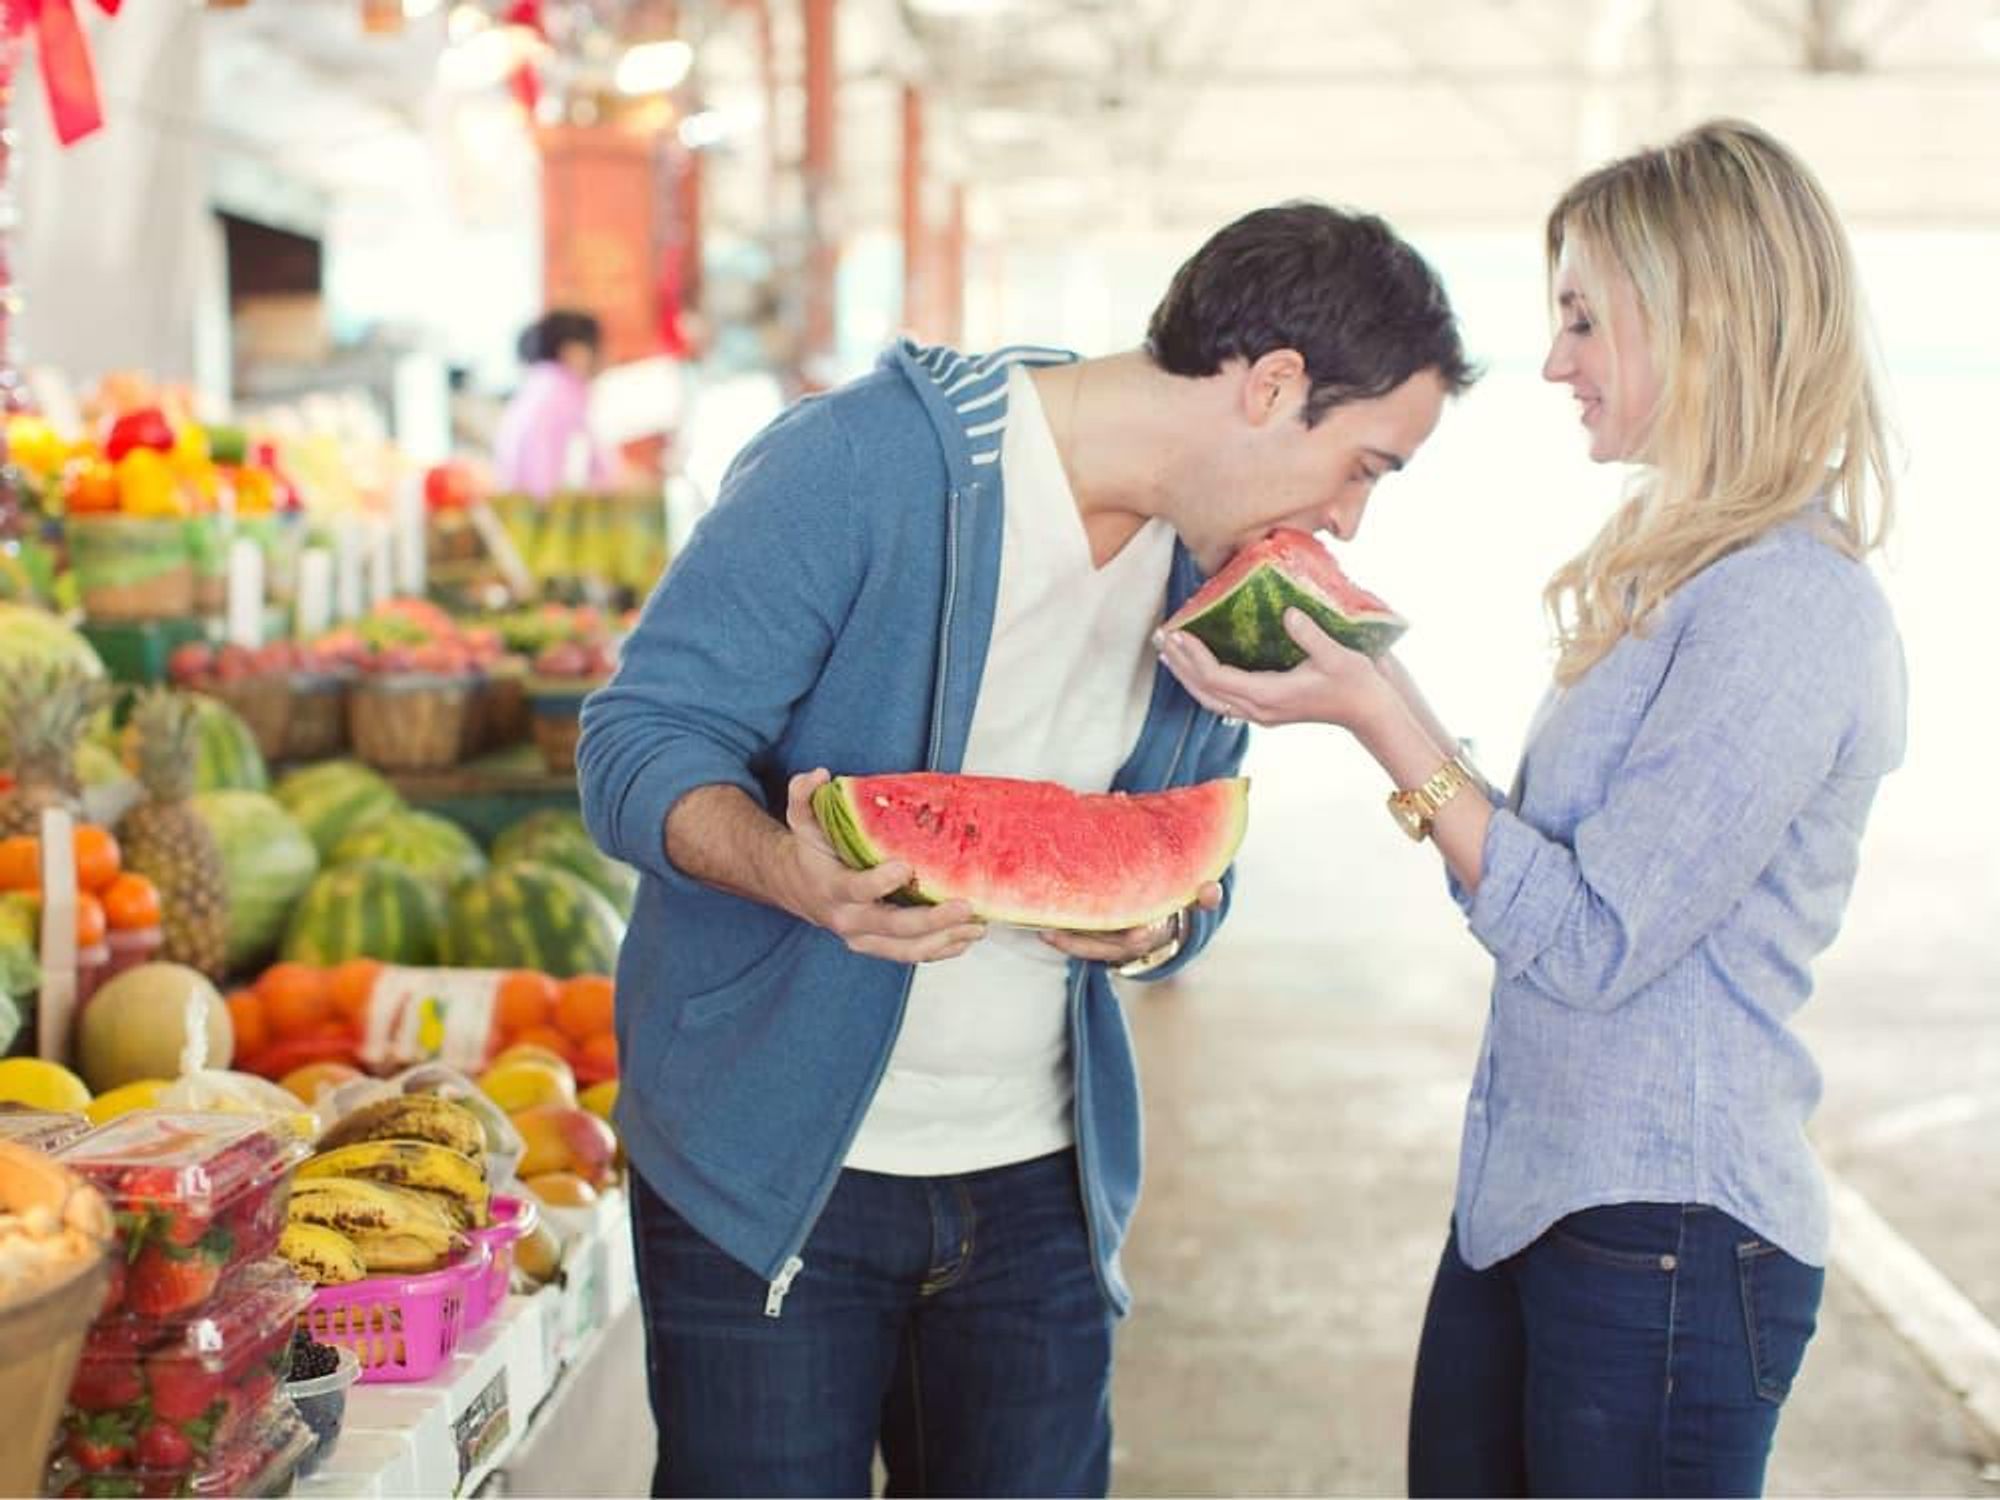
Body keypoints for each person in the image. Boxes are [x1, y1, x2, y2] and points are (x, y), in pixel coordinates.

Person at [577, 201, 1476, 1497]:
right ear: (1273, 385)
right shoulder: (863, 468)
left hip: (1037, 1195)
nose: (1348, 522)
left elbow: (1195, 864)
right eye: (1363, 466)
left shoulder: (1216, 583)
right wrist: (790, 870)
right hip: (771, 1173)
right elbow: (634, 742)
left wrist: (1164, 921)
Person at [1158, 120, 1906, 1498]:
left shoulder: (1790, 605)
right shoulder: (1685, 573)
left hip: (1668, 1234)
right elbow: (1548, 876)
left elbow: (1592, 940)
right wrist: (1364, 687)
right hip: (1540, 1208)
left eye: (1580, 318)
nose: (1554, 361)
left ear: (1706, 318)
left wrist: (1381, 719)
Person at [493, 309, 610, 498]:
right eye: (597, 347)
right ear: (574, 351)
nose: (604, 356)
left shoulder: (538, 388)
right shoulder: (560, 396)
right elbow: (545, 482)